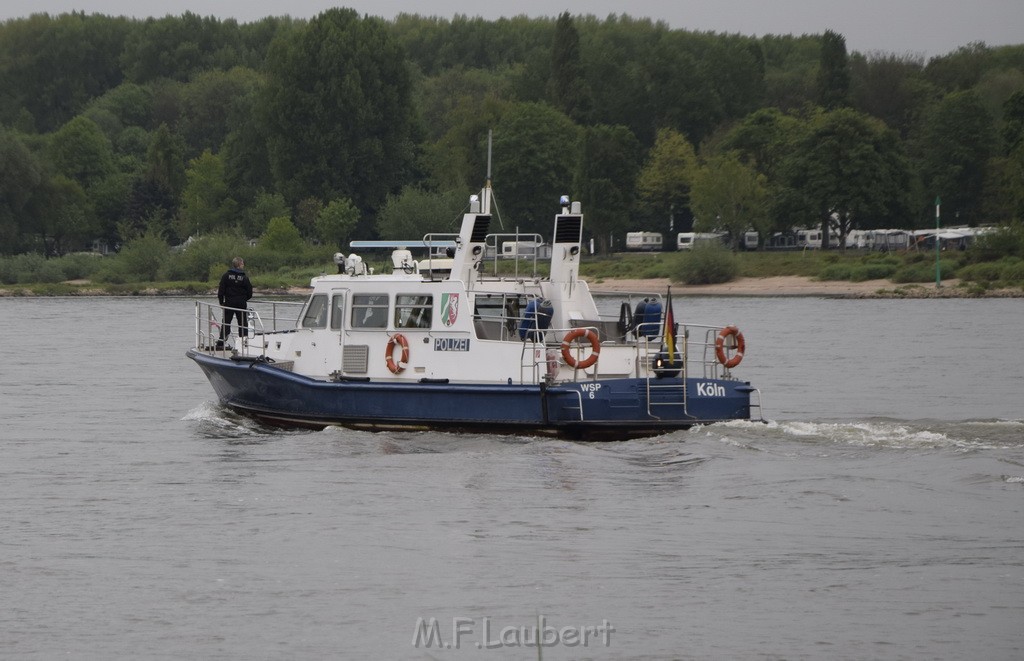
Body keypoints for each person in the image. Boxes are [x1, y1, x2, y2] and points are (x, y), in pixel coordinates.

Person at [216, 257, 253, 348]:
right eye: (243, 264)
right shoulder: (244, 277)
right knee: (243, 323)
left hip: (229, 302)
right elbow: (250, 292)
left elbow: (221, 291)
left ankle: (221, 342)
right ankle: (244, 343)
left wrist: (221, 302)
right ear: (240, 265)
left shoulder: (226, 276)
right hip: (241, 303)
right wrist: (244, 299)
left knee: (226, 322)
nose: (243, 265)